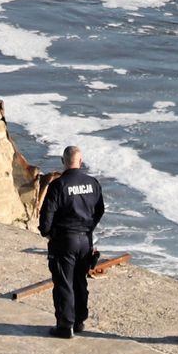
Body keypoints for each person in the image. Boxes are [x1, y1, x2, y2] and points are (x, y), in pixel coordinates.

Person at [37, 145, 104, 339]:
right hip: (85, 240)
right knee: (80, 280)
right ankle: (79, 320)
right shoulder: (93, 183)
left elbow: (46, 217)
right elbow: (100, 210)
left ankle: (65, 325)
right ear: (80, 161)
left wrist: (48, 233)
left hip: (64, 240)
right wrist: (89, 228)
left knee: (64, 282)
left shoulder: (59, 185)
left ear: (63, 161)